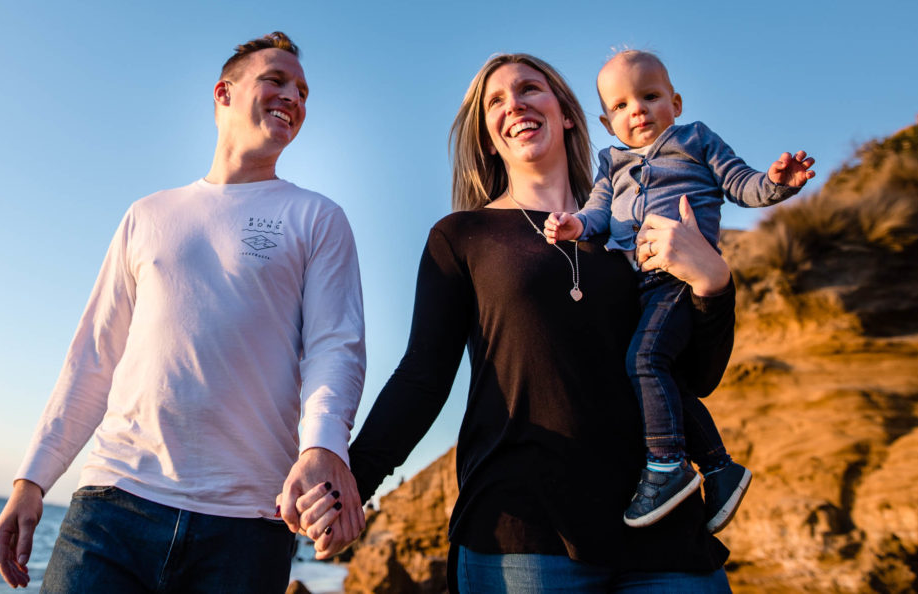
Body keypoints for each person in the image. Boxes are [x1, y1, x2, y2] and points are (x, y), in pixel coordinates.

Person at [285, 53, 740, 592]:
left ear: (567, 113)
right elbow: (422, 378)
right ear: (488, 135)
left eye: (529, 89)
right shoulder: (462, 237)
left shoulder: (633, 231)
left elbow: (695, 377)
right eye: (495, 101)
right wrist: (350, 483)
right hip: (522, 535)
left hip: (664, 535)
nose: (515, 104)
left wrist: (714, 285)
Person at [0, 31, 367, 593]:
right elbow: (93, 358)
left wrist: (321, 448)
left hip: (248, 523)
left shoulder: (316, 217)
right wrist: (32, 479)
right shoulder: (147, 215)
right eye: (276, 80)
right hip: (112, 507)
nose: (294, 96)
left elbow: (335, 349)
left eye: (304, 90)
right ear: (224, 93)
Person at [544, 50, 815, 531]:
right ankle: (719, 468)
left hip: (677, 277)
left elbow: (742, 183)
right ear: (608, 124)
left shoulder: (695, 140)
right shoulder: (611, 164)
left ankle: (667, 465)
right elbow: (598, 213)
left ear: (676, 101)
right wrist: (572, 225)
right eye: (623, 106)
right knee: (664, 376)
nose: (638, 111)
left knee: (644, 362)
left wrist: (776, 184)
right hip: (637, 286)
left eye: (650, 97)